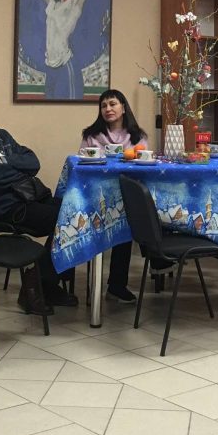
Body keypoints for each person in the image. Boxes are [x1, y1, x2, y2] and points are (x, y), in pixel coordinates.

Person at [0, 87, 77, 312]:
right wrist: (14, 168)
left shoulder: (3, 136)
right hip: (6, 207)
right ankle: (35, 285)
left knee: (76, 211)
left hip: (29, 198)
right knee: (64, 219)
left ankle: (47, 284)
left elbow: (33, 162)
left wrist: (5, 163)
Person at [80, 89, 148, 303]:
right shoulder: (91, 135)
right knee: (124, 213)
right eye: (103, 105)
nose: (108, 109)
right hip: (97, 196)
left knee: (129, 214)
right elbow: (82, 166)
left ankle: (117, 286)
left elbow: (144, 169)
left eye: (112, 104)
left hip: (127, 195)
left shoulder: (137, 136)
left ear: (123, 107)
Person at [32, 0, 90, 99]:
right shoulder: (51, 2)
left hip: (66, 64)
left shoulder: (75, 3)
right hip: (50, 65)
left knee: (71, 105)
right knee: (47, 106)